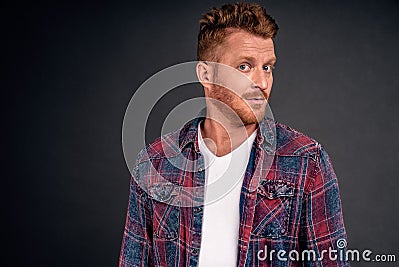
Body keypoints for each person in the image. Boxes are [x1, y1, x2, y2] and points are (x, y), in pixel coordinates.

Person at [119, 2, 349, 267]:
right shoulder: (154, 163)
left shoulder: (307, 163)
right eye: (244, 66)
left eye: (267, 67)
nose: (262, 83)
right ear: (206, 73)